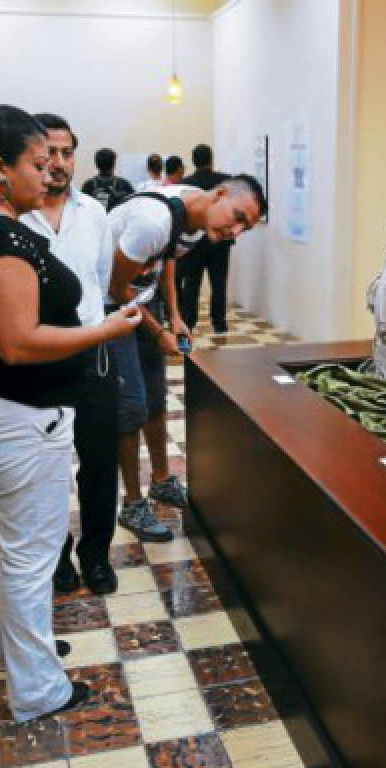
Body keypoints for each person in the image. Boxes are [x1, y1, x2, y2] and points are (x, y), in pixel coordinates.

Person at [0, 106, 141, 721]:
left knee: (11, 548)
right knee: (30, 556)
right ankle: (39, 690)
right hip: (26, 415)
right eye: (39, 164)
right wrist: (100, 330)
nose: (52, 175)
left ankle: (14, 658)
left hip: (10, 412)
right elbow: (17, 340)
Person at [103, 175, 266, 539]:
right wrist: (158, 330)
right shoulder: (151, 222)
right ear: (220, 194)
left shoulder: (196, 221)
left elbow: (168, 258)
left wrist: (174, 316)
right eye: (238, 217)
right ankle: (131, 504)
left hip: (143, 302)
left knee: (156, 396)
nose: (235, 233)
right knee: (130, 406)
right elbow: (116, 287)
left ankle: (161, 480)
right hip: (111, 308)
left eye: (246, 228)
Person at [21, 113, 121, 596]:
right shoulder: (15, 216)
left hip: (92, 356)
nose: (59, 163)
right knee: (48, 467)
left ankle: (96, 555)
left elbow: (101, 284)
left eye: (66, 152)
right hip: (37, 361)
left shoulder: (95, 214)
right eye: (49, 154)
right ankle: (57, 557)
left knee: (101, 462)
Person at [178, 143, 233, 333]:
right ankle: (219, 322)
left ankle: (189, 321)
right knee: (219, 282)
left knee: (192, 282)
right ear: (211, 160)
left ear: (194, 161)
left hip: (194, 242)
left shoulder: (185, 184)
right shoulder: (226, 182)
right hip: (220, 240)